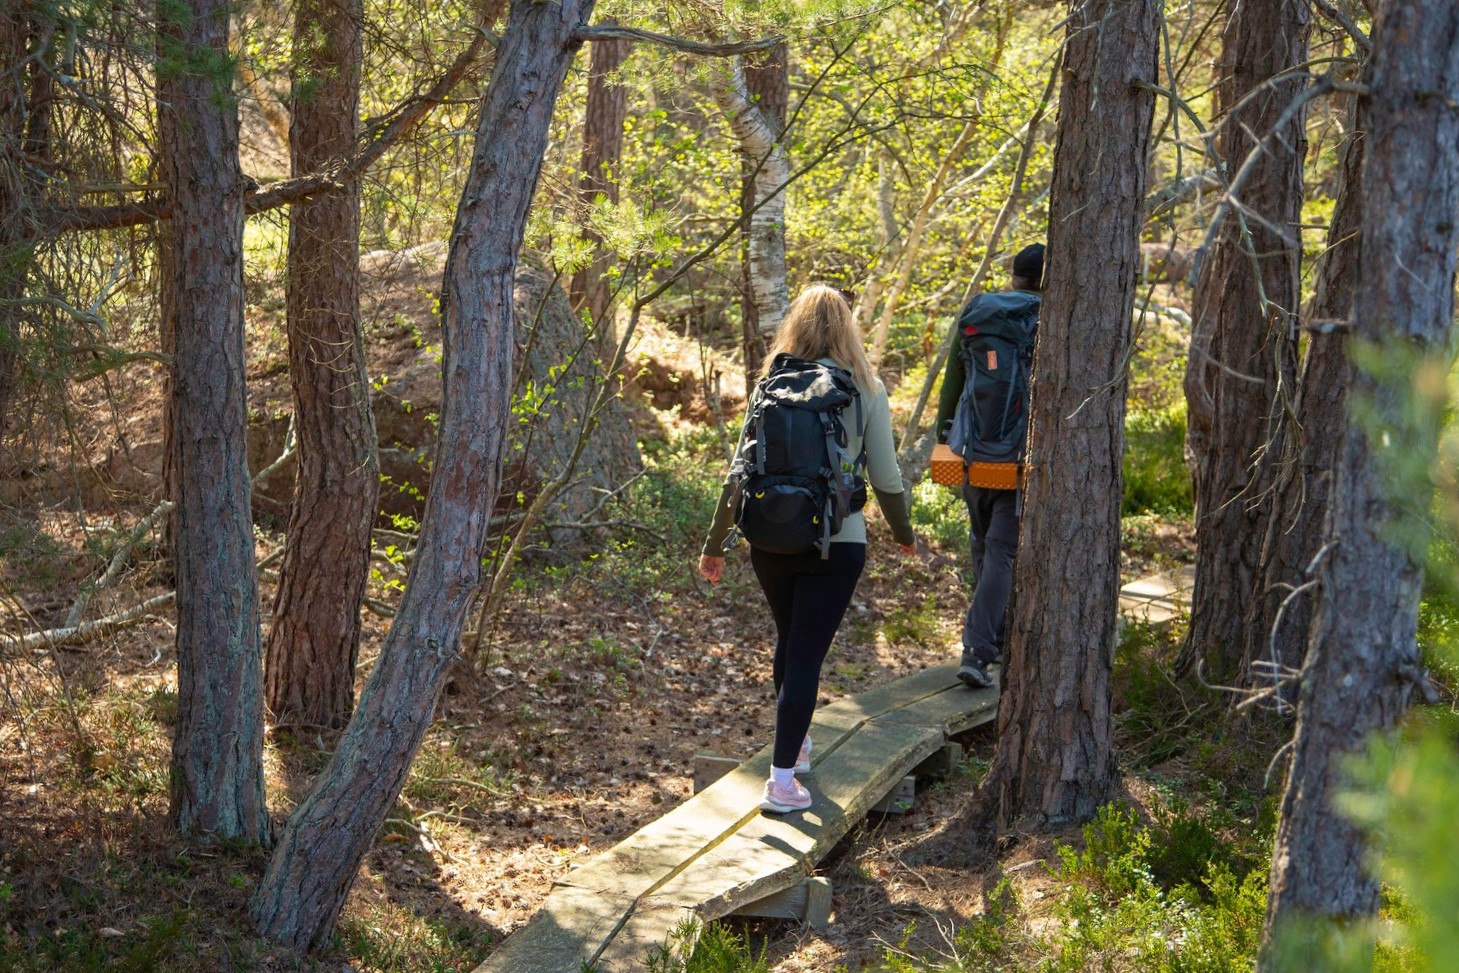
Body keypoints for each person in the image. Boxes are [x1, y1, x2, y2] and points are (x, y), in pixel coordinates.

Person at [699, 285, 918, 814]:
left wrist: (715, 544)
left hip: (770, 538)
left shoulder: (772, 383)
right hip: (835, 544)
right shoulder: (865, 387)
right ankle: (780, 783)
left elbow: (738, 472)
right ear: (848, 328)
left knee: (791, 642)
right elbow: (886, 477)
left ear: (795, 324)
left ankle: (794, 749)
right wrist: (904, 533)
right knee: (804, 655)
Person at [933, 243, 1044, 689]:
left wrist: (947, 441)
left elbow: (952, 383)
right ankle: (978, 649)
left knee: (983, 544)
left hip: (972, 449)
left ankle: (991, 639)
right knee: (1001, 551)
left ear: (1014, 275)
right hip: (1019, 457)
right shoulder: (1045, 320)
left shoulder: (980, 312)